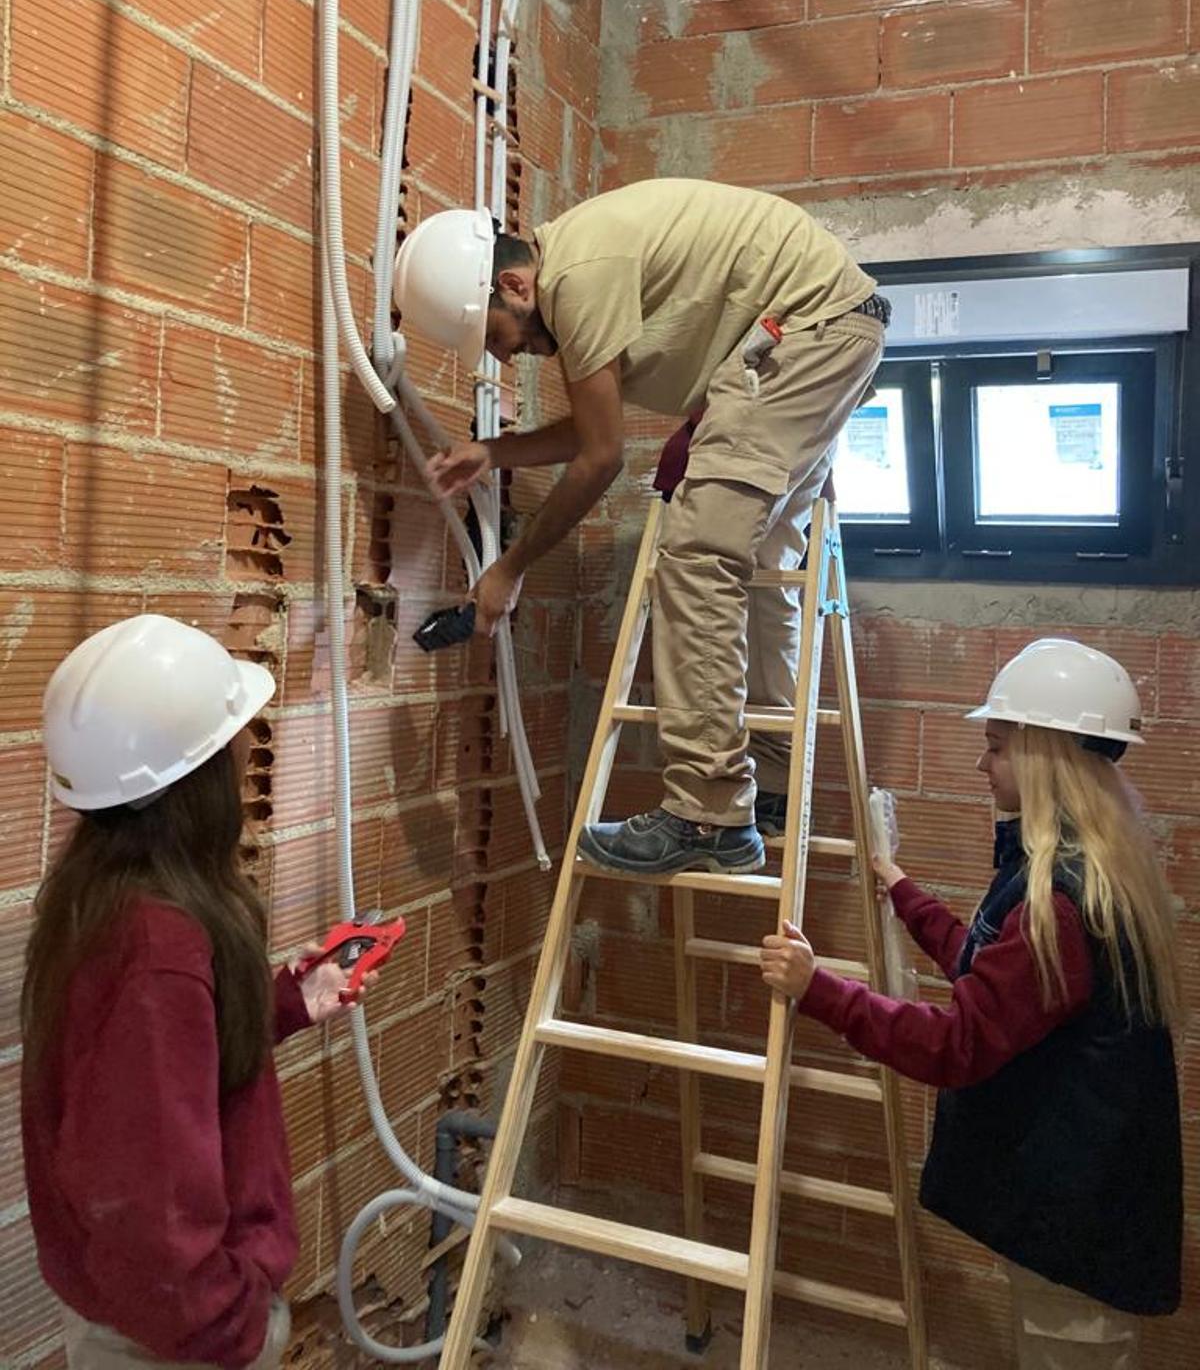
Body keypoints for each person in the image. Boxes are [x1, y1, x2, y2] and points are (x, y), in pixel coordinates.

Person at [395, 178, 888, 877]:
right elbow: (593, 430)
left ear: (515, 284)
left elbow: (601, 457)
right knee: (761, 559)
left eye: (500, 337)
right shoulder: (577, 259)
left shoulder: (577, 277)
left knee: (696, 555)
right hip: (831, 329)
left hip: (802, 332)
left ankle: (708, 813)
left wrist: (507, 569)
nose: (510, 357)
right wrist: (495, 453)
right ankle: (769, 787)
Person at [760, 638, 1184, 1368]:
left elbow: (960, 1044)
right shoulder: (1087, 865)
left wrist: (818, 989)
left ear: (1045, 757)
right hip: (1085, 1203)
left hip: (1079, 1222)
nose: (980, 765)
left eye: (995, 746)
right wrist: (901, 889)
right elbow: (989, 974)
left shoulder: (1064, 901)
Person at [21, 614, 376, 1370]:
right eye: (235, 732)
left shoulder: (105, 897)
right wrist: (237, 1329)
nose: (250, 744)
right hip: (176, 1336)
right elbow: (149, 1204)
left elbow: (153, 1077)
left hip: (148, 1316)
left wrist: (282, 1001)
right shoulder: (157, 946)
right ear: (197, 773)